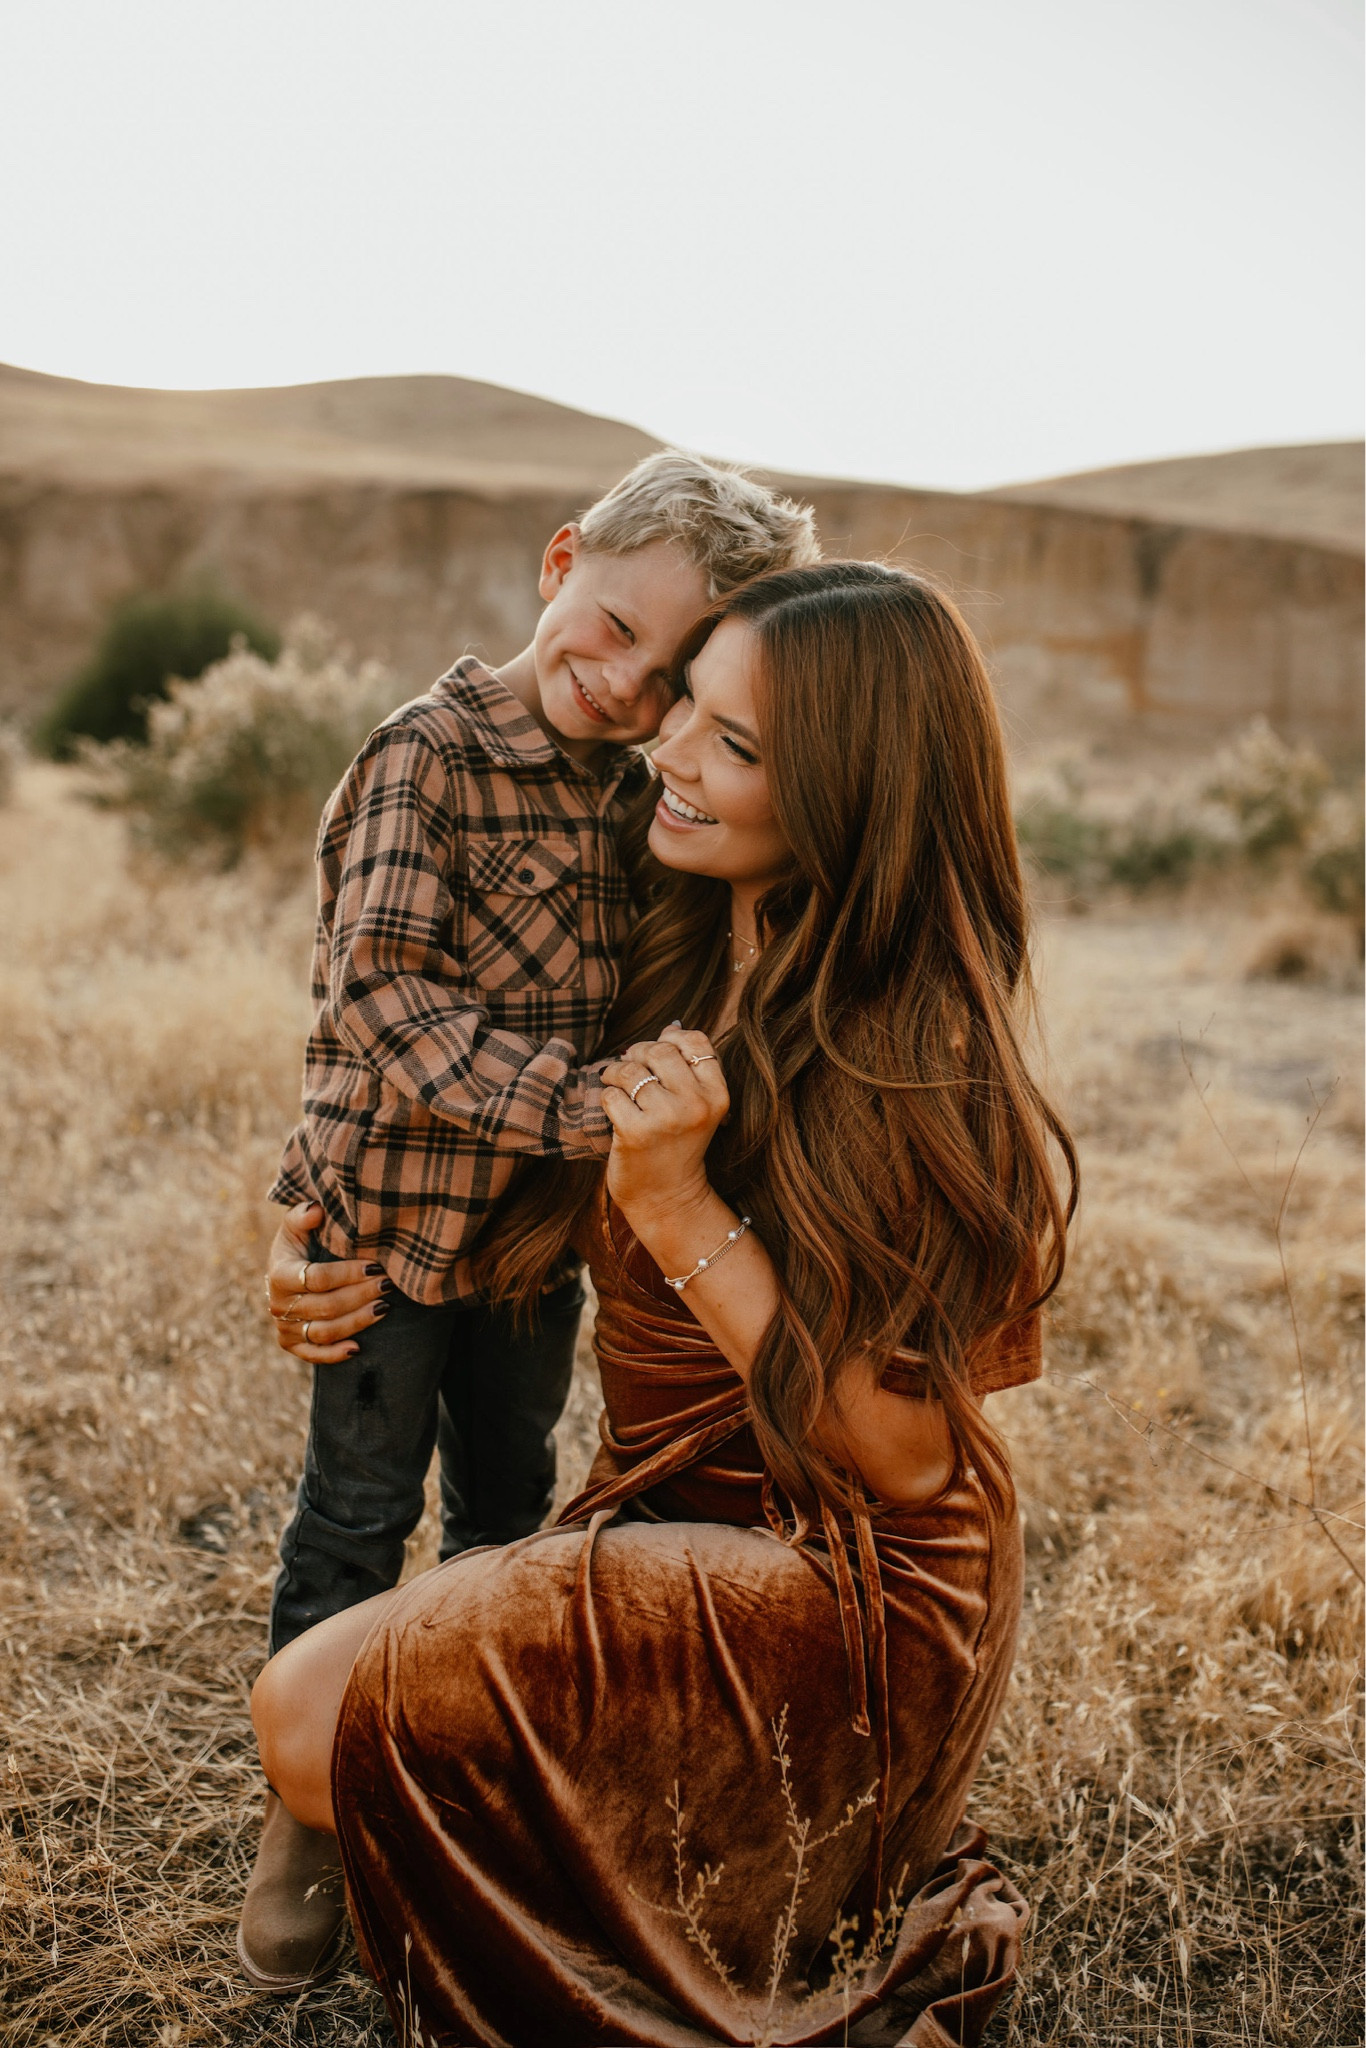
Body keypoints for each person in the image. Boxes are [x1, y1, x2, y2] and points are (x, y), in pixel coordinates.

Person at [253, 562, 1076, 2045]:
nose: (668, 752)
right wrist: (313, 1243)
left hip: (853, 1587)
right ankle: (729, 1881)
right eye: (686, 707)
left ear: (849, 789)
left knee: (313, 1723)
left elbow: (900, 1458)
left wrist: (684, 1210)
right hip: (672, 1513)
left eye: (734, 745)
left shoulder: (920, 1055)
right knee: (314, 1717)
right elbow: (459, 1105)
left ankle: (802, 1895)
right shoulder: (690, 941)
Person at [238, 452, 820, 1989]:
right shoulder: (424, 757)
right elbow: (378, 997)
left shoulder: (644, 790)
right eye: (614, 626)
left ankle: (476, 1781)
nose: (624, 686)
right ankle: (307, 1809)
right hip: (386, 1233)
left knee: (513, 1513)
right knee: (356, 1516)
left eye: (668, 671)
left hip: (531, 1251)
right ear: (561, 558)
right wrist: (587, 1116)